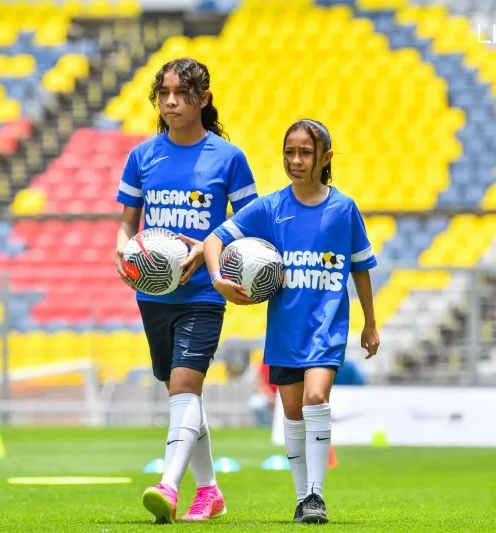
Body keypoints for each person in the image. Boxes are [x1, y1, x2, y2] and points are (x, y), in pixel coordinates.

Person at [203, 119, 380, 524]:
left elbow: (361, 268)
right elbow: (215, 239)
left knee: (316, 398)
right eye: (289, 152)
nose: (295, 160)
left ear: (326, 158)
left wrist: (370, 322)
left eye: (304, 152)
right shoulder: (270, 207)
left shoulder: (343, 209)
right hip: (284, 331)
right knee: (292, 414)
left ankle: (316, 495)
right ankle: (303, 499)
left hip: (326, 327)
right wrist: (219, 279)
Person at [114, 57, 258, 523]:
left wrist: (211, 249)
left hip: (203, 292)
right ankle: (210, 491)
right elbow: (127, 225)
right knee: (182, 397)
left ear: (204, 99)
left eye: (180, 94)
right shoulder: (143, 156)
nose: (170, 102)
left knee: (183, 387)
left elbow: (250, 223)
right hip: (153, 294)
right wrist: (123, 254)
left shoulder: (228, 158)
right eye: (164, 94)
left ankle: (168, 487)